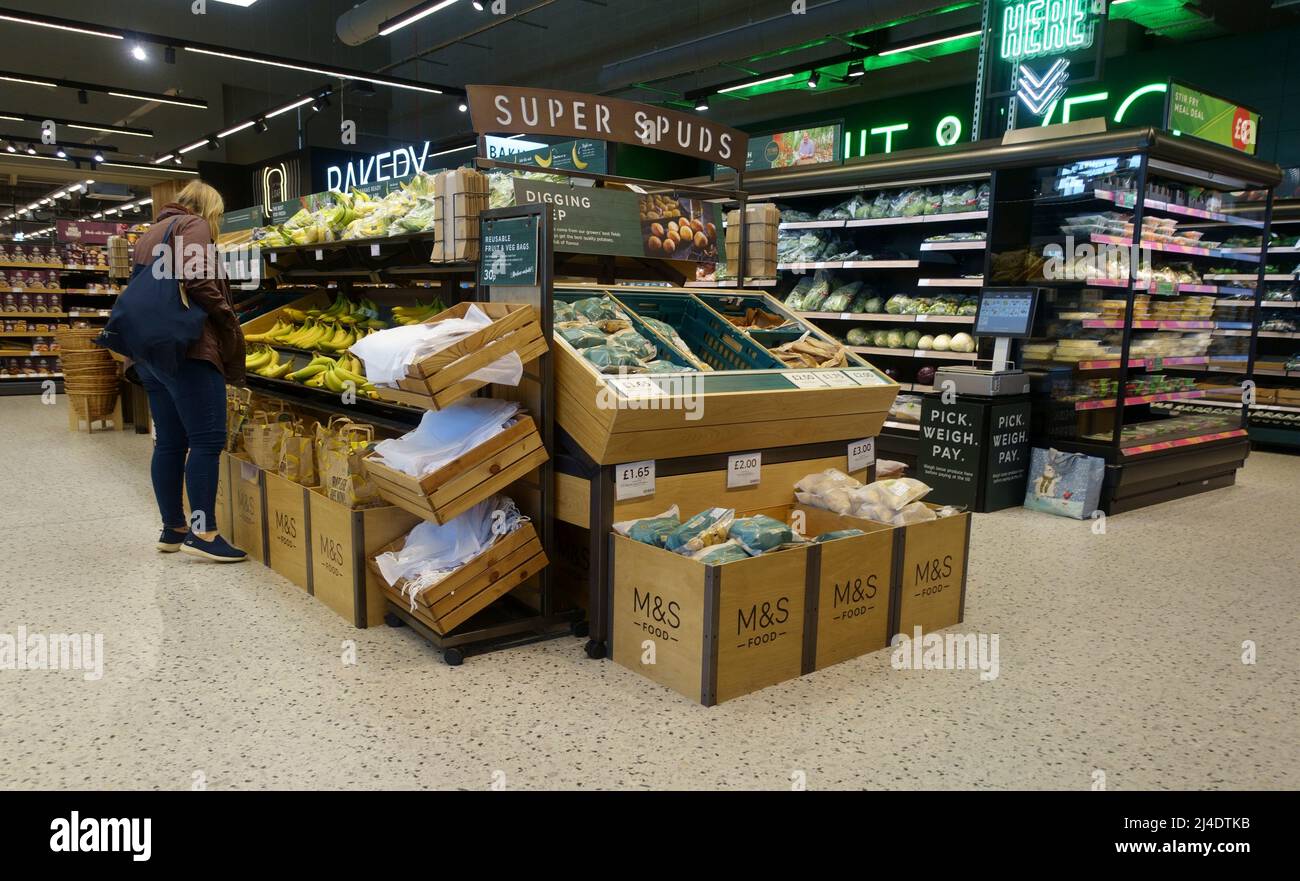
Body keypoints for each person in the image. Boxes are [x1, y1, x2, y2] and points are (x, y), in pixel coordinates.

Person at [131, 180, 247, 562]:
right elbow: (198, 279)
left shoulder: (151, 232)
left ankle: (173, 527)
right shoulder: (193, 225)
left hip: (150, 351)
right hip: (188, 350)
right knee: (207, 440)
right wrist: (227, 317)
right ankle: (204, 531)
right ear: (207, 210)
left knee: (169, 442)